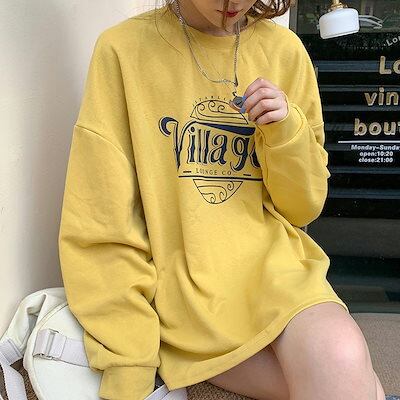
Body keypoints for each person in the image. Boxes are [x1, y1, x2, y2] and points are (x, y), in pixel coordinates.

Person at [57, 1, 387, 399]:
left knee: (342, 355)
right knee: (356, 384)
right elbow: (101, 224)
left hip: (281, 276)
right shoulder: (124, 51)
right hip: (191, 303)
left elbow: (303, 207)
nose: (235, 3)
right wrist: (129, 363)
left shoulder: (284, 51)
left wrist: (285, 131)